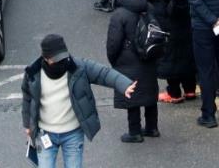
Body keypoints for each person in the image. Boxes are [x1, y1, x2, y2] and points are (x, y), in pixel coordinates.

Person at [22, 33, 136, 168]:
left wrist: (124, 85)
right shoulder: (33, 73)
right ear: (46, 58)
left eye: (63, 56)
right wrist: (27, 125)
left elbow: (103, 73)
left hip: (73, 133)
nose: (62, 61)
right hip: (45, 133)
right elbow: (27, 98)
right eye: (56, 59)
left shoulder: (77, 66)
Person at [106, 0, 159, 143]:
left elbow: (113, 44)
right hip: (149, 55)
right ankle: (152, 127)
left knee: (131, 95)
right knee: (149, 90)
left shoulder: (119, 14)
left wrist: (114, 61)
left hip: (127, 59)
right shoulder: (148, 7)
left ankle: (134, 131)